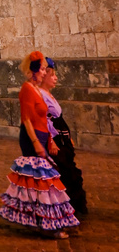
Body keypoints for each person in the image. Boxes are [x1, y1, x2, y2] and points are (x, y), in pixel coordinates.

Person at [0, 50, 79, 238]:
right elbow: (26, 119)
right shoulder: (27, 89)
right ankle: (48, 224)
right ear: (33, 71)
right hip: (31, 138)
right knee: (43, 180)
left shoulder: (37, 90)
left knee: (38, 182)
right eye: (42, 69)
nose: (45, 73)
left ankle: (38, 219)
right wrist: (36, 143)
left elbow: (44, 118)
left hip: (42, 136)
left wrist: (49, 140)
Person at [40, 57, 88, 214]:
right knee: (63, 170)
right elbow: (43, 120)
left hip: (61, 136)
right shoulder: (40, 95)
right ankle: (63, 206)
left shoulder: (48, 94)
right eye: (52, 75)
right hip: (54, 139)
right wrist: (51, 141)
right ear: (44, 76)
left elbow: (58, 119)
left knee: (68, 167)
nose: (56, 78)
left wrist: (68, 137)